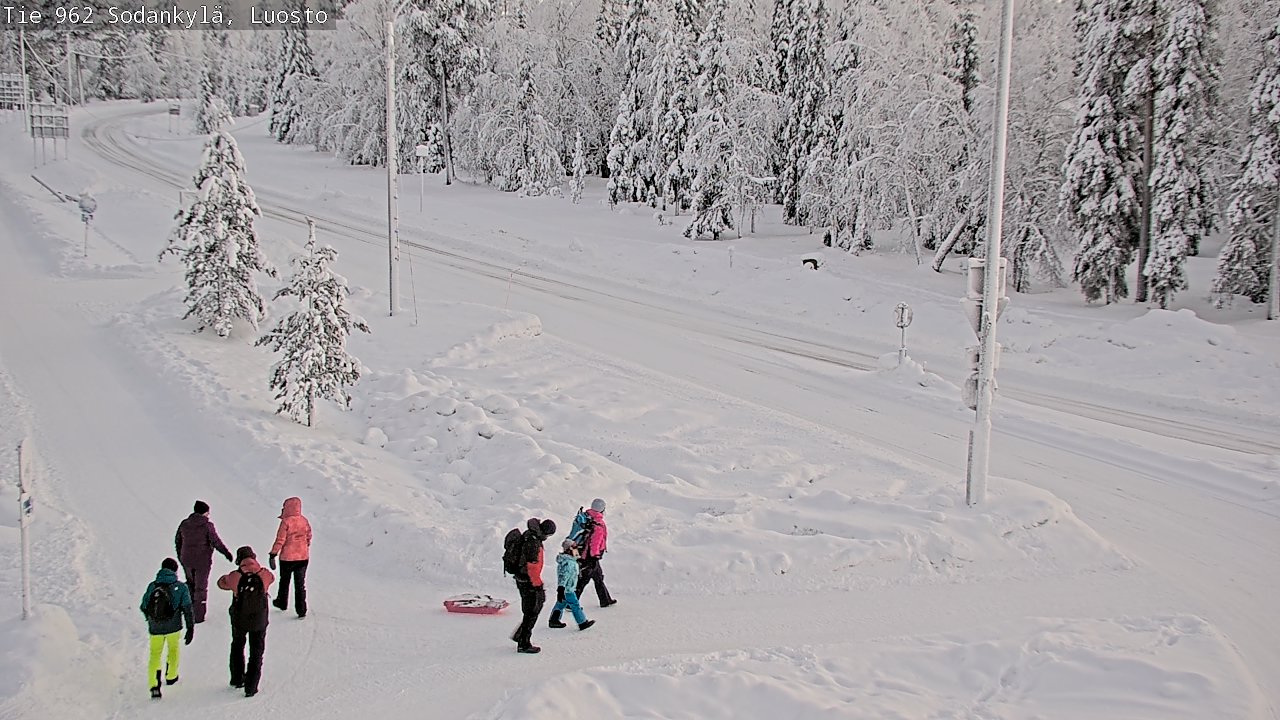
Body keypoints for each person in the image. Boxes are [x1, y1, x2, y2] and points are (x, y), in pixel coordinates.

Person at [217, 545, 275, 698]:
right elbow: (272, 578)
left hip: (239, 618)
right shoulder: (264, 574)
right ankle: (251, 686)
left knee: (237, 645)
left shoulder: (235, 576)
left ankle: (237, 679)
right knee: (256, 652)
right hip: (259, 619)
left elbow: (221, 583)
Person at [139, 558, 194, 699]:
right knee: (173, 650)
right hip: (174, 627)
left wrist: (151, 619)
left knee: (155, 654)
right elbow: (187, 609)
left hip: (155, 628)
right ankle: (171, 676)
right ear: (175, 570)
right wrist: (190, 628)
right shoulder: (181, 587)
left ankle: (154, 685)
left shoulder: (152, 586)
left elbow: (144, 606)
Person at [175, 500, 234, 624]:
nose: (208, 514)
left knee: (190, 584)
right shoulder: (207, 526)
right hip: (202, 561)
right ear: (204, 512)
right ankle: (198, 616)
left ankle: (187, 610)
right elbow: (215, 542)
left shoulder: (184, 524)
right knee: (200, 588)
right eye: (207, 512)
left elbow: (178, 541)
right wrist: (226, 553)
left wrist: (181, 556)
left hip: (187, 560)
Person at [510, 517, 555, 654]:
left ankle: (520, 635)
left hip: (521, 578)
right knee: (532, 611)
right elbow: (532, 567)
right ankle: (524, 643)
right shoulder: (534, 542)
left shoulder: (529, 535)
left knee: (531, 609)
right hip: (528, 581)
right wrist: (537, 585)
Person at [268, 496, 312, 618]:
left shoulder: (286, 522)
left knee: (284, 581)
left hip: (287, 558)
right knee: (300, 584)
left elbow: (280, 540)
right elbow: (309, 535)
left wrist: (273, 553)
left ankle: (282, 602)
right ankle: (301, 609)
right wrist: (305, 546)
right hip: (303, 557)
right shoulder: (304, 520)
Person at [575, 498, 616, 608]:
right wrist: (595, 556)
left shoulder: (587, 517)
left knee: (598, 577)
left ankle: (605, 600)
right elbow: (595, 542)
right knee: (584, 580)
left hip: (585, 554)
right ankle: (571, 603)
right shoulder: (598, 523)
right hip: (590, 557)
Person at [548, 539, 595, 631]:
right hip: (568, 589)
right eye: (574, 547)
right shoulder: (568, 563)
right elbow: (563, 576)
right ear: (569, 549)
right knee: (575, 604)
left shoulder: (571, 561)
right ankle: (582, 622)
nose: (577, 549)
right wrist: (561, 587)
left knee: (561, 604)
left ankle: (554, 620)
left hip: (568, 588)